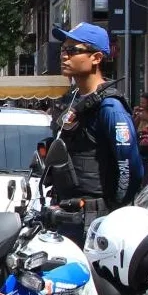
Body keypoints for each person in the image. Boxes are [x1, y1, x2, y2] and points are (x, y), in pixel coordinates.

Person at [49, 22, 143, 246]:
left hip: (95, 222)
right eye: (63, 49)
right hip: (66, 214)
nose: (64, 56)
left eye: (73, 50)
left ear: (97, 58)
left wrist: (111, 208)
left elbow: (130, 168)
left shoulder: (110, 108)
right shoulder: (72, 100)